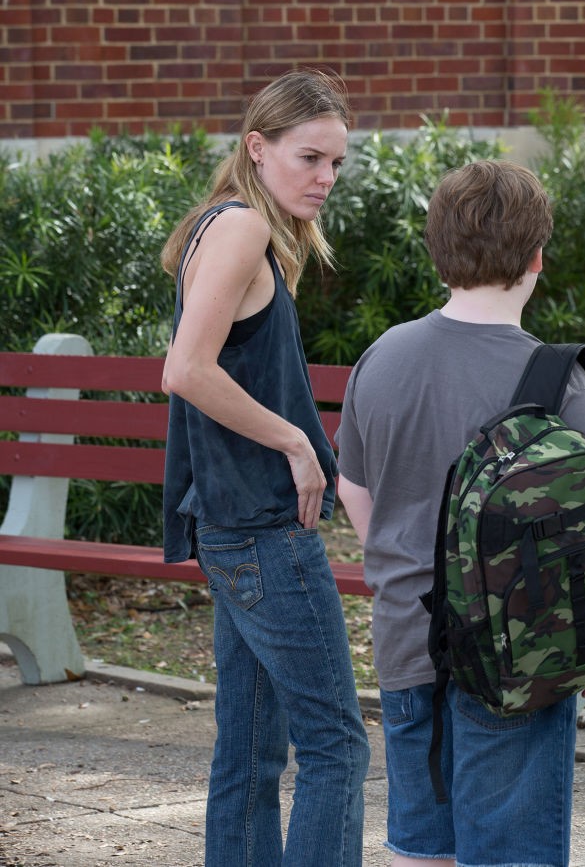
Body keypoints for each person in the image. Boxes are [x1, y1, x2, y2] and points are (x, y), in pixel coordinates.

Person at [334, 159, 585, 867]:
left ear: (436, 251)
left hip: (408, 642)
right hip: (520, 652)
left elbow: (353, 491)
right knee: (511, 855)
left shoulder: (379, 359)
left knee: (420, 844)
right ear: (538, 257)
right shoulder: (551, 376)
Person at [160, 68, 371, 867]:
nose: (325, 178)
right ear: (258, 146)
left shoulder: (231, 226)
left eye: (336, 163)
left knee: (249, 752)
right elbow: (185, 370)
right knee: (336, 747)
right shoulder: (244, 227)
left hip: (233, 525)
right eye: (310, 157)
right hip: (262, 530)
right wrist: (291, 440)